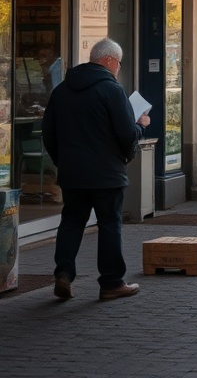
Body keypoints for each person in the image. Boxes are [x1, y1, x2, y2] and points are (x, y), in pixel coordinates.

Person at [41, 38, 150, 301]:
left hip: (73, 173)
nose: (119, 69)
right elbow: (126, 134)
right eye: (119, 64)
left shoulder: (62, 90)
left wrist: (62, 162)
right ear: (110, 60)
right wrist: (141, 125)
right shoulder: (112, 90)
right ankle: (111, 283)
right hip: (107, 174)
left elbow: (48, 134)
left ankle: (63, 273)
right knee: (110, 225)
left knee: (71, 222)